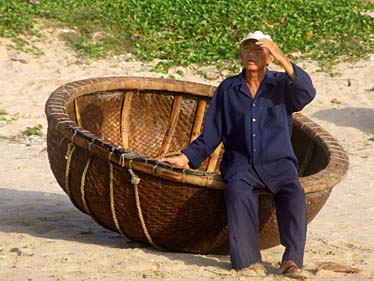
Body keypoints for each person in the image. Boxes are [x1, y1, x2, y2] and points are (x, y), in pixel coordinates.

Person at [160, 31, 315, 277]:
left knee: (293, 192)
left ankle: (292, 260)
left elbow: (306, 92)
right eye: (247, 49)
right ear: (241, 54)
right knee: (237, 192)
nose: (251, 55)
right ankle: (248, 262)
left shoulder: (282, 85)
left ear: (270, 57)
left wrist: (283, 58)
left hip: (278, 162)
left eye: (259, 50)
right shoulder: (228, 88)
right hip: (241, 164)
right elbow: (213, 132)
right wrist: (186, 157)